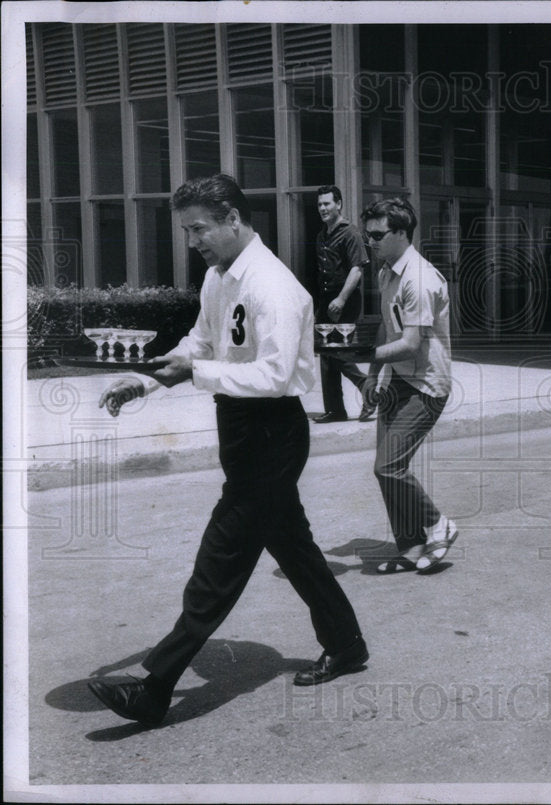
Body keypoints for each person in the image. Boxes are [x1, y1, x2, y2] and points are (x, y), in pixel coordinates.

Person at [87, 174, 367, 727]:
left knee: (222, 555)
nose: (193, 241)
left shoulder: (275, 287)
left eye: (199, 229)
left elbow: (277, 373)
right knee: (294, 547)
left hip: (273, 433)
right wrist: (143, 380)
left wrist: (198, 370)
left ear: (232, 220)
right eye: (188, 230)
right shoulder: (219, 279)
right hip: (239, 426)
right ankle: (347, 644)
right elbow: (200, 344)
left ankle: (155, 685)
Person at [352, 197, 458, 574]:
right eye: (368, 236)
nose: (371, 243)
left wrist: (364, 353)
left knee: (389, 467)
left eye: (378, 236)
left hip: (427, 384)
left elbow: (411, 342)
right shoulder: (386, 272)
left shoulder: (419, 277)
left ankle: (438, 523)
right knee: (385, 470)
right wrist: (370, 374)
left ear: (400, 233)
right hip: (398, 378)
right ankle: (411, 546)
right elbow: (387, 326)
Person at [312, 184, 375, 423]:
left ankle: (365, 385)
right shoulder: (322, 235)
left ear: (338, 204)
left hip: (344, 301)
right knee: (326, 355)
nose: (322, 208)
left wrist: (341, 299)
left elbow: (357, 269)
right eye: (319, 204)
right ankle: (335, 409)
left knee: (337, 352)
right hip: (327, 302)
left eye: (327, 203)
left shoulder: (351, 233)